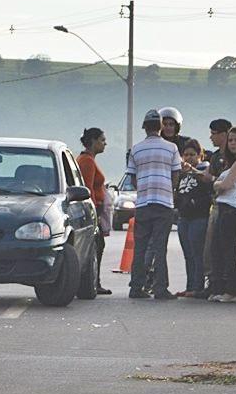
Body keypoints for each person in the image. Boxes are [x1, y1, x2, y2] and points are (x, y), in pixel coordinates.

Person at [125, 109, 182, 300]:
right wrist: (167, 189)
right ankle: (160, 288)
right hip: (164, 203)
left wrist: (144, 188)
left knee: (140, 248)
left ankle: (136, 287)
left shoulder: (136, 149)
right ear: (160, 127)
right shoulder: (171, 148)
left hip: (142, 204)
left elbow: (132, 179)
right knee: (160, 247)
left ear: (144, 128)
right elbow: (176, 176)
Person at [209, 126, 236, 303]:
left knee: (228, 250)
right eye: (231, 140)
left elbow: (225, 185)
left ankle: (232, 291)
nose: (233, 143)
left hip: (234, 210)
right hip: (225, 208)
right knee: (218, 250)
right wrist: (219, 183)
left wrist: (217, 184)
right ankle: (220, 288)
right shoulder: (232, 162)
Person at [174, 139, 214, 296]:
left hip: (199, 217)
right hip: (184, 217)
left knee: (197, 254)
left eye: (192, 154)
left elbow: (209, 190)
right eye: (186, 155)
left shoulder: (204, 170)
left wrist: (194, 202)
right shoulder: (183, 174)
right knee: (188, 254)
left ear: (200, 156)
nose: (188, 158)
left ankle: (198, 287)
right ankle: (190, 286)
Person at [76, 127, 112, 295]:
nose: (105, 143)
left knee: (98, 245)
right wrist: (94, 212)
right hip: (93, 208)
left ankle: (94, 281)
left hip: (95, 207)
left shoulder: (89, 159)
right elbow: (88, 188)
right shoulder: (87, 161)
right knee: (96, 246)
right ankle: (93, 282)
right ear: (93, 141)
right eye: (102, 140)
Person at [199, 118, 232, 297]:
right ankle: (213, 283)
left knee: (222, 248)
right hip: (215, 205)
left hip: (229, 207)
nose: (211, 137)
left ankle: (224, 285)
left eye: (214, 133)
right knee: (210, 249)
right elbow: (209, 177)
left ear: (224, 134)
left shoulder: (234, 157)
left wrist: (212, 180)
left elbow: (219, 181)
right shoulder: (215, 156)